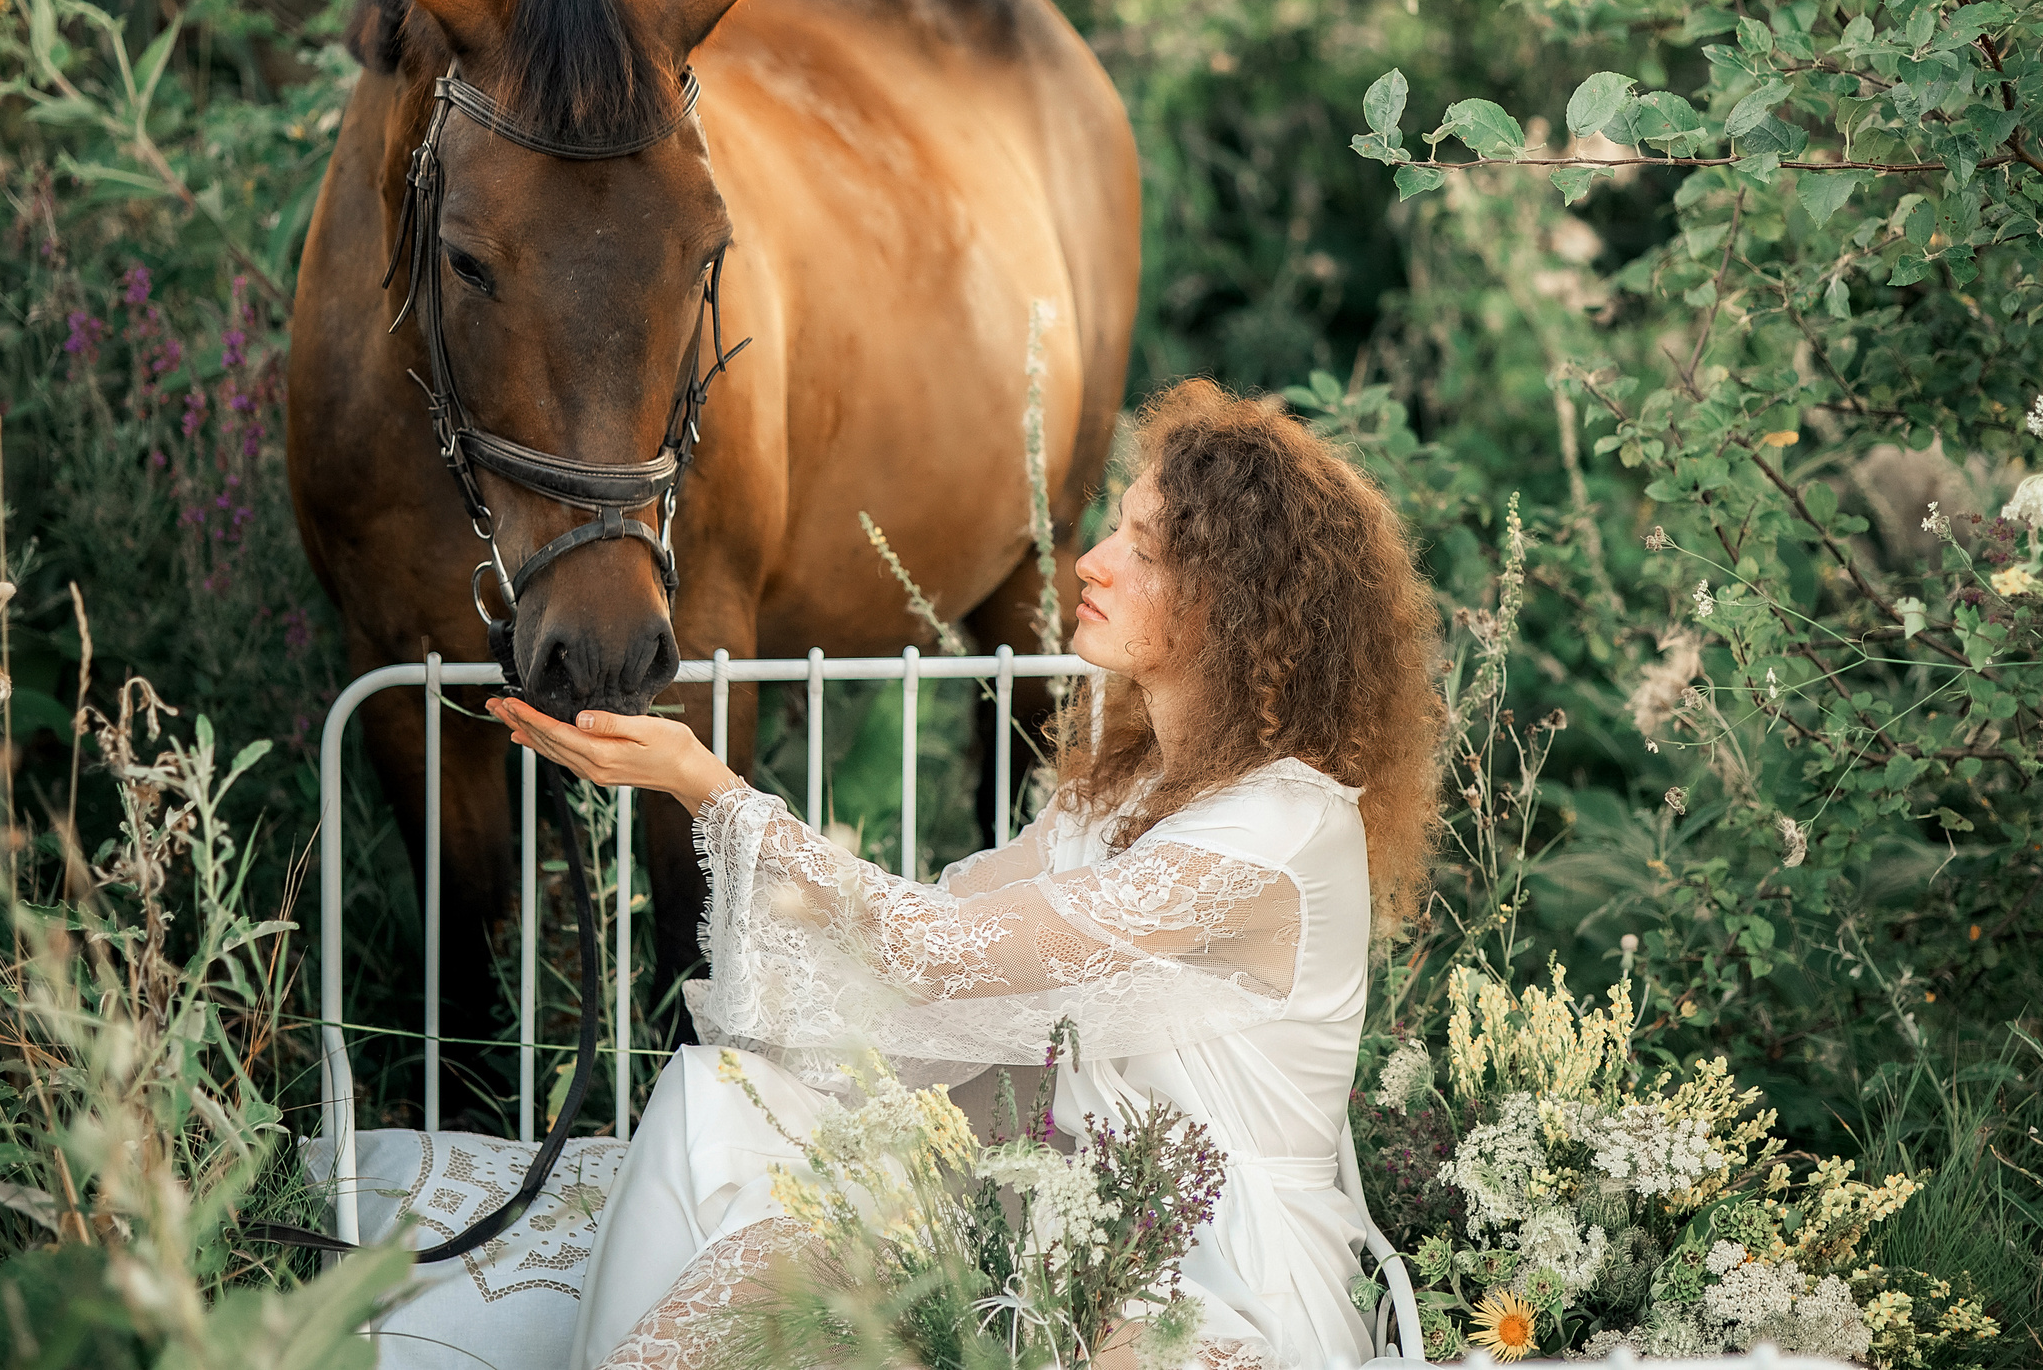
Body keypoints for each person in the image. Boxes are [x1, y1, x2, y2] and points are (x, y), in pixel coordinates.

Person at [486, 378, 1443, 1370]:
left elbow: (934, 952)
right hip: (1053, 1229)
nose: (1094, 564)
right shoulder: (1111, 799)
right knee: (745, 1147)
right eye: (1115, 530)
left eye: (1146, 552)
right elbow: (931, 922)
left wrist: (710, 791)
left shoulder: (1281, 829)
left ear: (1235, 607)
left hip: (1219, 1273)